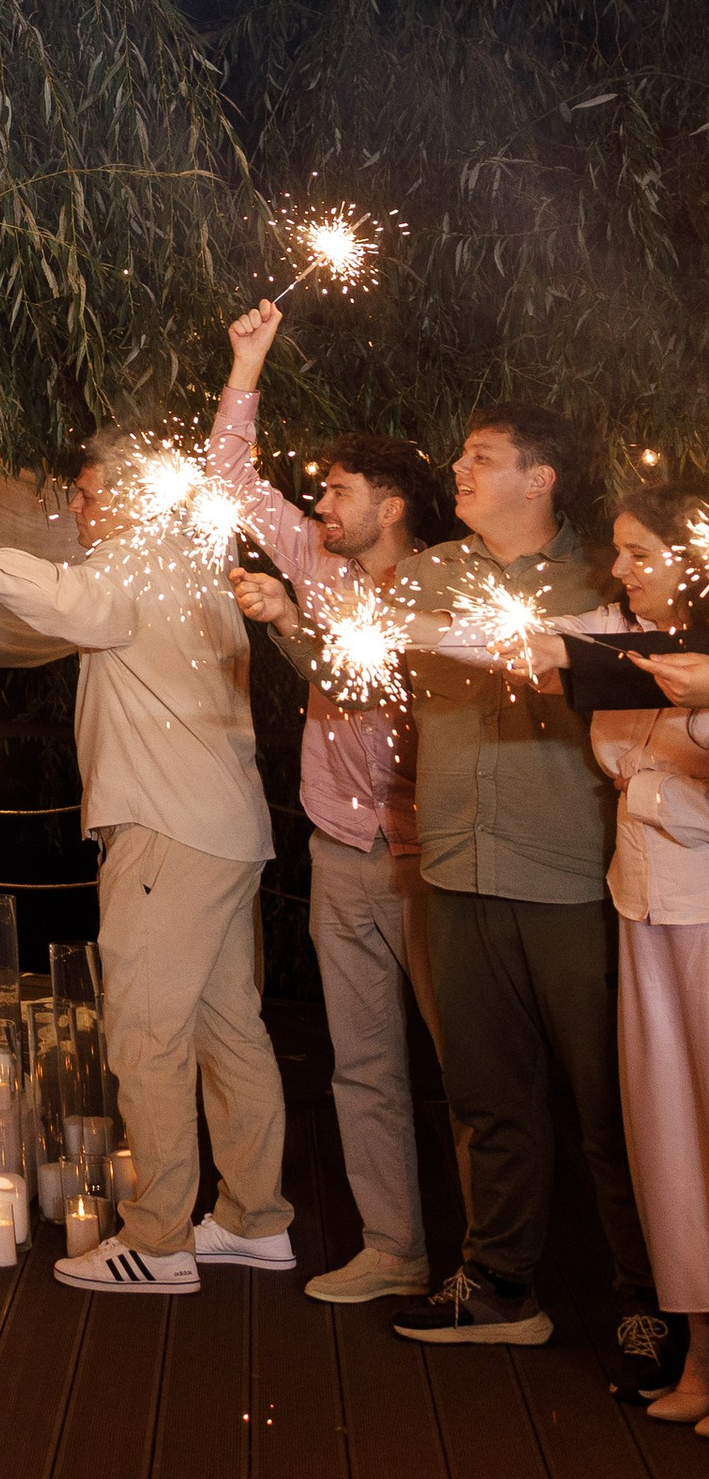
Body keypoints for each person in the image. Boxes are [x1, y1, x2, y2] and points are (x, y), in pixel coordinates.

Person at [0, 441, 291, 1296]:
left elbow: (73, 603)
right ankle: (257, 1222)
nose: (78, 507)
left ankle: (160, 1239)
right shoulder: (198, 564)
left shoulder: (134, 563)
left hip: (166, 830)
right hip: (227, 830)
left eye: (89, 493)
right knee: (231, 1030)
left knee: (145, 1036)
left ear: (140, 501)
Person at [388, 404, 657, 1360]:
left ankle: (651, 1300)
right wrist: (295, 616)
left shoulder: (604, 580)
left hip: (575, 873)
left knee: (615, 1104)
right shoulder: (424, 578)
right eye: (461, 453)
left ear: (539, 479)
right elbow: (357, 658)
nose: (457, 469)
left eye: (481, 457)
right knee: (485, 1095)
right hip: (457, 865)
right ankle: (500, 1283)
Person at [213, 297, 453, 1302]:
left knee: (470, 1072)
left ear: (388, 507)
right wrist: (247, 364)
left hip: (430, 858)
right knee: (362, 1067)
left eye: (339, 492)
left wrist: (286, 630)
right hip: (336, 850)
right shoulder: (313, 560)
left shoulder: (444, 588)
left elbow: (371, 686)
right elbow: (228, 476)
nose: (319, 506)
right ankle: (393, 1251)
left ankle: (492, 1271)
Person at [513, 483, 709, 1430]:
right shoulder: (625, 643)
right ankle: (703, 1360)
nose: (621, 569)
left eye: (639, 552)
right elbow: (527, 641)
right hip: (643, 910)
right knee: (666, 1138)